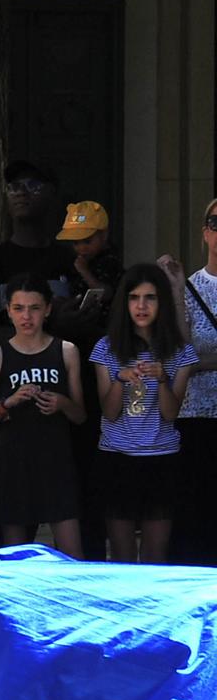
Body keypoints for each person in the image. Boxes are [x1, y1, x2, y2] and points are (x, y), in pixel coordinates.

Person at [89, 263, 198, 563]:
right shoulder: (105, 349)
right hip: (117, 458)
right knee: (122, 554)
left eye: (150, 298)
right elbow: (109, 412)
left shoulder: (180, 352)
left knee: (156, 554)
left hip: (161, 459)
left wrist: (163, 378)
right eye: (134, 297)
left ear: (161, 302)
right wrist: (119, 380)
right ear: (124, 303)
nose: (141, 306)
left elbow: (171, 413)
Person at [0, 275, 84, 554]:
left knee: (72, 551)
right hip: (13, 461)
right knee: (15, 555)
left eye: (34, 308)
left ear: (47, 309)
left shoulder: (66, 351)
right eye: (19, 308)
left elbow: (81, 415)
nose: (26, 316)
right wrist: (7, 404)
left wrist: (61, 402)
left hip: (55, 459)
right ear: (8, 310)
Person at [0, 161, 81, 361]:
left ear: (51, 193)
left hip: (63, 383)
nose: (21, 192)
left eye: (32, 186)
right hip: (9, 386)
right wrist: (50, 328)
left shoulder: (72, 261)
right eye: (14, 187)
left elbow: (86, 332)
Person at [164, 198, 217, 566]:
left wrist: (199, 362)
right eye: (215, 222)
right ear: (204, 232)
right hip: (195, 413)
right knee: (195, 512)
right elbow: (179, 355)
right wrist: (175, 286)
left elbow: (192, 360)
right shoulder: (189, 287)